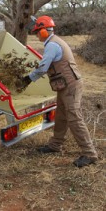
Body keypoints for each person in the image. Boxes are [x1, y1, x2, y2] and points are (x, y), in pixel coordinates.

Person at [22, 15, 98, 168]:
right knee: (61, 116)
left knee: (74, 117)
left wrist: (28, 79)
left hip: (70, 85)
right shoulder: (54, 42)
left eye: (37, 32)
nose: (37, 36)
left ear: (44, 31)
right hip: (65, 85)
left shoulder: (52, 45)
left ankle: (89, 154)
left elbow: (43, 68)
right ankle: (55, 145)